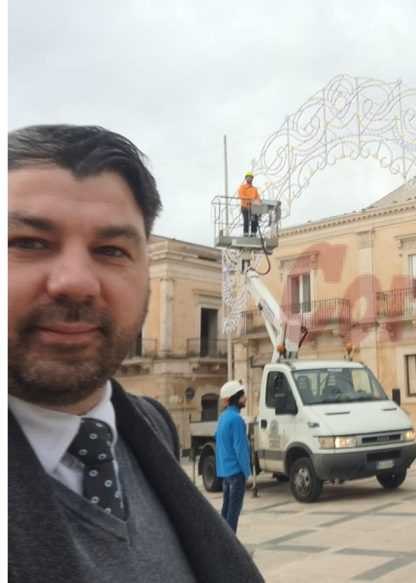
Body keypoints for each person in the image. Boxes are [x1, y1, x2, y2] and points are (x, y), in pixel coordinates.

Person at [8, 124, 263, 581]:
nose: (75, 281)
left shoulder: (150, 428)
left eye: (110, 249)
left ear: (146, 269)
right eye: (27, 243)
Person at [216, 381, 253, 532]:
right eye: (242, 395)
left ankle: (222, 541)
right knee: (233, 511)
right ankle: (230, 547)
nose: (245, 398)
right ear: (236, 397)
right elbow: (240, 449)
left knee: (226, 510)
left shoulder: (223, 418)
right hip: (236, 472)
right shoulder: (237, 420)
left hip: (225, 471)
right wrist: (247, 471)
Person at [237, 171, 261, 236]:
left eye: (251, 177)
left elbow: (258, 197)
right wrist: (249, 201)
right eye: (248, 177)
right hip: (245, 207)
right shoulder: (242, 187)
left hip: (253, 208)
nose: (250, 178)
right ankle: (246, 234)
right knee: (246, 221)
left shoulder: (254, 189)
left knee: (254, 221)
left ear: (252, 178)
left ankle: (253, 234)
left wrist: (257, 201)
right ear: (246, 178)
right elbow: (241, 196)